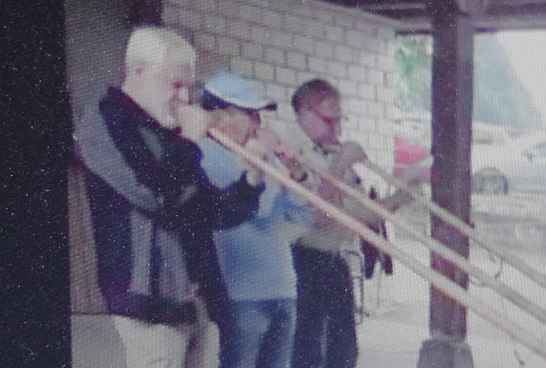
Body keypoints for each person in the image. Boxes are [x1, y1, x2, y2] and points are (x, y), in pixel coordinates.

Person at [74, 26, 265, 368]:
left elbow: (213, 213)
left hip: (193, 300)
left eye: (188, 87)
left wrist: (252, 176)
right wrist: (189, 143)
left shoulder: (166, 132)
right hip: (150, 304)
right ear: (138, 72)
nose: (184, 98)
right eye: (175, 84)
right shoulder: (105, 119)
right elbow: (155, 194)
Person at [289, 78, 428, 368]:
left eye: (340, 120)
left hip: (333, 260)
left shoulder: (332, 153)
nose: (338, 129)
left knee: (344, 352)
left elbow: (362, 216)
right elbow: (318, 217)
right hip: (301, 261)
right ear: (304, 113)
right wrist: (339, 165)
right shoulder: (291, 152)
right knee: (307, 353)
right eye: (330, 120)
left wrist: (402, 196)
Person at [197, 71, 314, 368]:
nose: (257, 124)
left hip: (282, 287)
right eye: (249, 114)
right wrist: (258, 167)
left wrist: (294, 169)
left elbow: (303, 214)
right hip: (241, 293)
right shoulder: (203, 155)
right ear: (219, 115)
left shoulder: (264, 157)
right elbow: (257, 209)